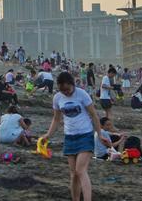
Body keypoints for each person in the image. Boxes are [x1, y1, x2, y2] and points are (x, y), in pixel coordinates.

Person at [41, 72, 106, 201]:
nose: (65, 92)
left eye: (67, 89)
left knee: (80, 170)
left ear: (73, 84)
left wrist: (99, 134)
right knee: (73, 174)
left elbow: (94, 115)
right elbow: (56, 118)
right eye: (62, 90)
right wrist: (48, 135)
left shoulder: (82, 94)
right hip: (69, 137)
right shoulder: (57, 98)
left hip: (85, 135)